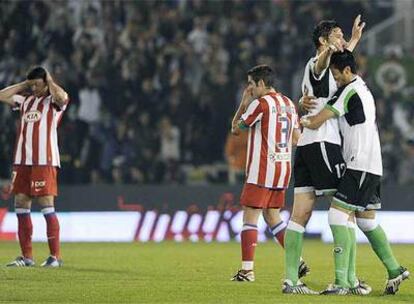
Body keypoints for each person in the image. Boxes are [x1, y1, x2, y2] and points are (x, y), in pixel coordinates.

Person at [301, 50, 409, 295]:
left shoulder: (347, 90)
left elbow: (318, 120)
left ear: (347, 71)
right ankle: (394, 270)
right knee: (365, 221)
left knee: (337, 217)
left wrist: (301, 120)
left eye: (337, 76)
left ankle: (342, 283)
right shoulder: (362, 88)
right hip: (372, 163)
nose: (336, 80)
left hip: (358, 163)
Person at [283, 16, 367, 294]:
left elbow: (341, 65)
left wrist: (353, 40)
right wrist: (330, 50)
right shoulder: (318, 61)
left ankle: (291, 281)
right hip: (323, 143)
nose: (342, 38)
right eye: (338, 34)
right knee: (345, 211)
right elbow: (322, 64)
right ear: (323, 41)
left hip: (306, 145)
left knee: (300, 214)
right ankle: (349, 279)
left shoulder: (330, 64)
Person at [229, 64, 309, 284]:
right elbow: (296, 139)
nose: (249, 89)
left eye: (251, 84)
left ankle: (247, 271)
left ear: (261, 84)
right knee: (273, 216)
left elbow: (236, 129)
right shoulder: (289, 104)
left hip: (261, 169)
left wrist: (243, 104)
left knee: (250, 216)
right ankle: (298, 260)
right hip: (282, 169)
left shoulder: (260, 104)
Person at [0, 66, 69, 267]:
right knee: (21, 204)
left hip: (43, 161)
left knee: (46, 205)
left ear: (45, 83)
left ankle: (55, 257)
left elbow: (63, 98)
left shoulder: (52, 102)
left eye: (37, 85)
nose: (34, 89)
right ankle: (27, 257)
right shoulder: (25, 100)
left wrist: (49, 80)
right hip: (22, 161)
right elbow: (2, 95)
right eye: (32, 86)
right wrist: (25, 84)